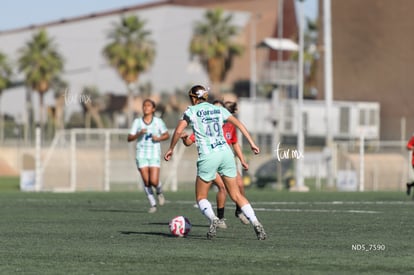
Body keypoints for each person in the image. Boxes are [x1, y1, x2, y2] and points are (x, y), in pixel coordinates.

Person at [164, 85, 266, 240]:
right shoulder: (218, 109)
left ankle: (214, 219)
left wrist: (171, 148)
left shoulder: (191, 111)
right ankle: (256, 222)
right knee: (236, 194)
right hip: (226, 153)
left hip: (208, 155)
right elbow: (239, 124)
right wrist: (252, 143)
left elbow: (178, 131)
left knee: (201, 197)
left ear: (193, 97)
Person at [181, 100, 250, 227]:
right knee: (222, 188)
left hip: (226, 160)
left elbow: (235, 144)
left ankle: (239, 210)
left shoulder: (229, 127)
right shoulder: (204, 126)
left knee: (240, 184)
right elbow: (190, 141)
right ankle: (220, 218)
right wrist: (185, 138)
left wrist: (242, 160)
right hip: (212, 162)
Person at [128, 99, 170, 213]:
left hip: (154, 154)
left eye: (148, 105)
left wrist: (159, 138)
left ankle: (159, 192)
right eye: (144, 105)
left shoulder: (158, 121)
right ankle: (153, 204)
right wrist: (139, 133)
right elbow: (129, 138)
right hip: (141, 154)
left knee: (154, 181)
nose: (146, 107)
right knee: (146, 181)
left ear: (153, 109)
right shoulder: (137, 122)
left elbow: (167, 135)